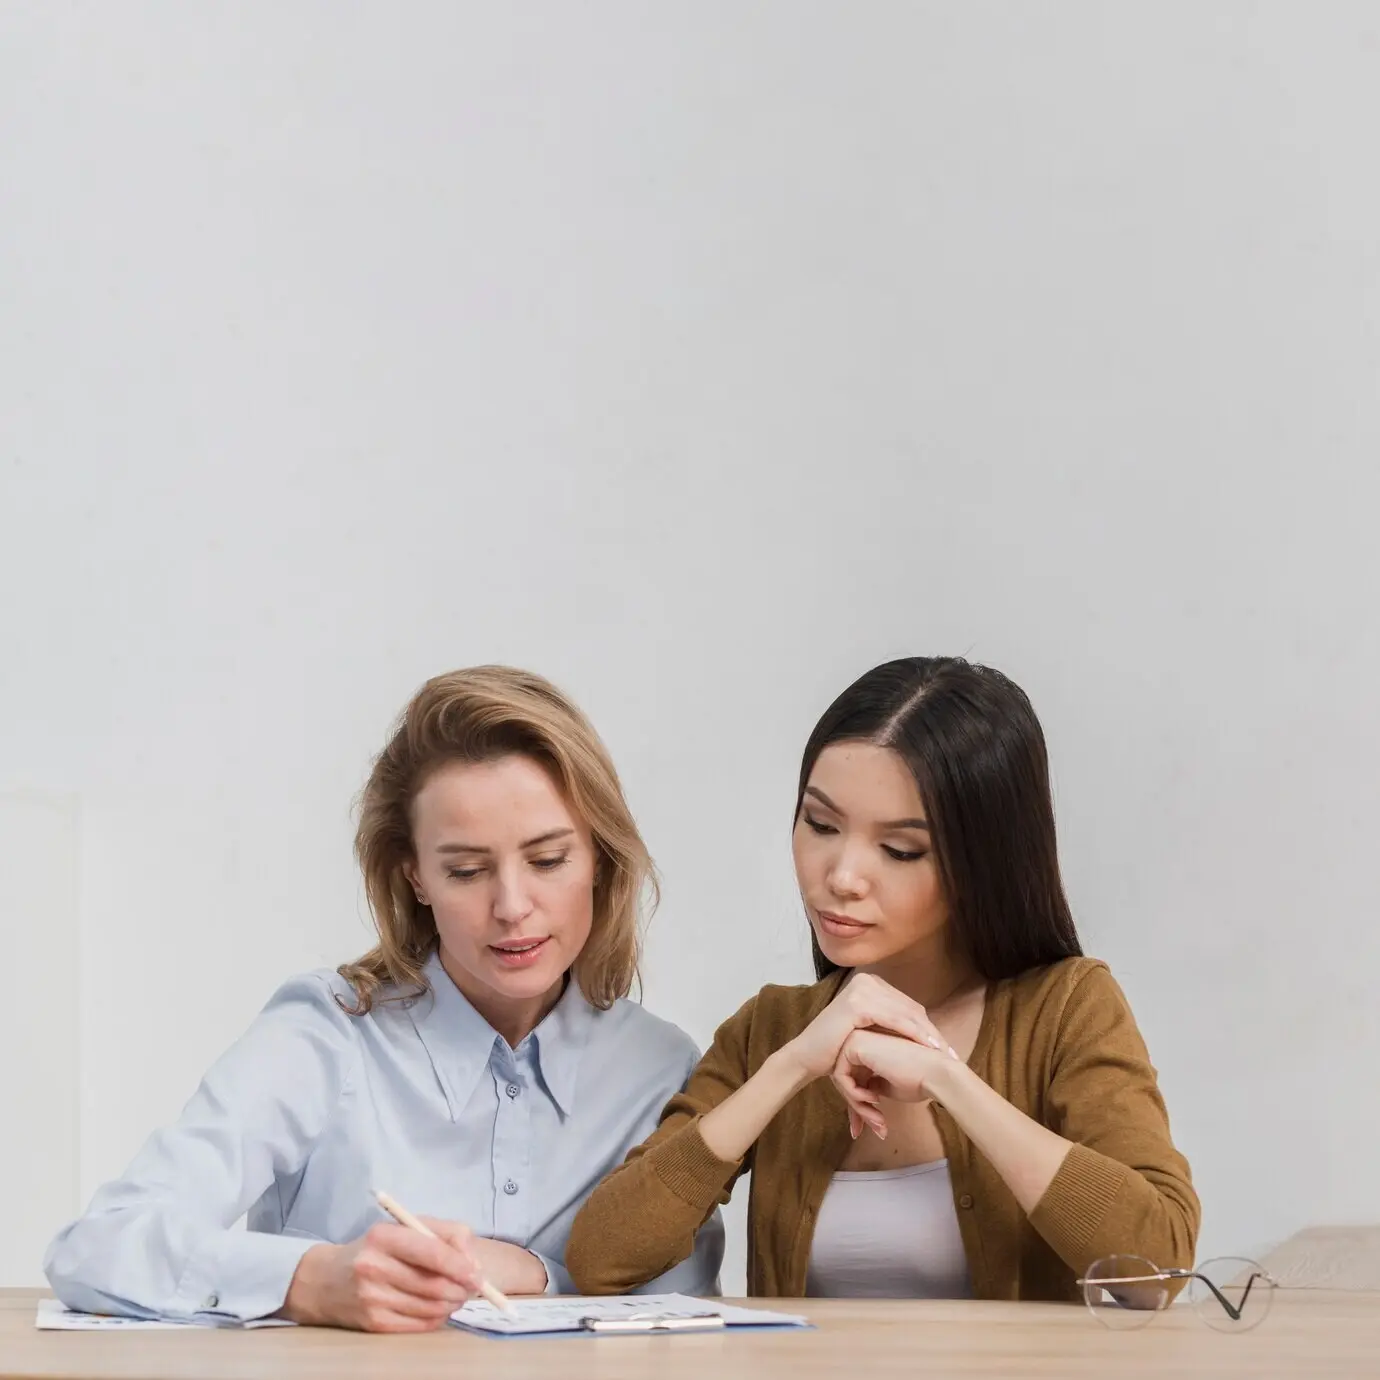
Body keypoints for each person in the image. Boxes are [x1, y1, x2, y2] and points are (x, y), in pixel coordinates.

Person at [45, 666, 722, 1329]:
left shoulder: (658, 1069)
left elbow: (684, 1315)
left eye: (548, 860)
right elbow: (98, 1247)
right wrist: (309, 1281)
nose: (513, 906)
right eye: (466, 870)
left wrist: (540, 1274)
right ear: (416, 876)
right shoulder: (326, 1034)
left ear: (600, 856)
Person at [567, 656, 1198, 1301]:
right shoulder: (772, 1031)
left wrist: (949, 1080)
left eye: (900, 850)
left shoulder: (1066, 1009)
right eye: (820, 824)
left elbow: (1157, 1273)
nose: (841, 876)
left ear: (985, 864)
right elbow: (600, 1258)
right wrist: (792, 1066)